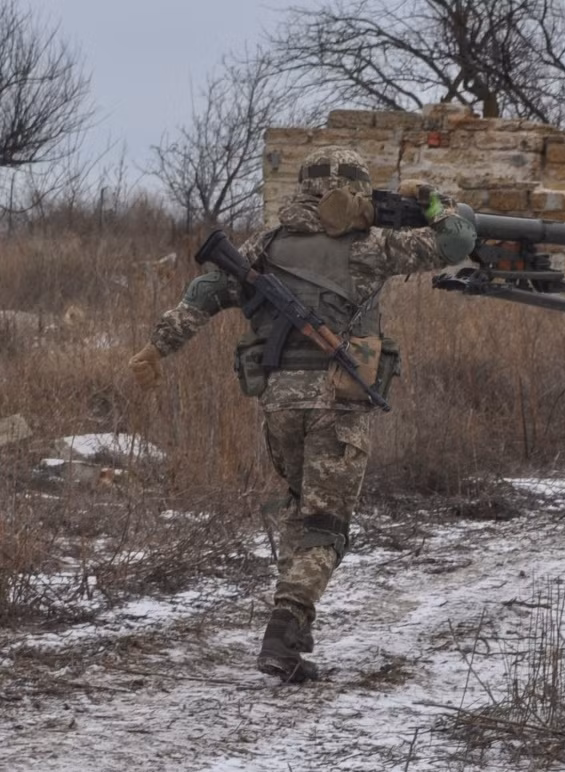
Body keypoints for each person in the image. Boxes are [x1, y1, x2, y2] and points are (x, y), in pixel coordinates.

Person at [128, 147, 477, 681]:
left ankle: (288, 644)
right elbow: (455, 241)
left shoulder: (265, 246)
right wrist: (437, 203)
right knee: (327, 526)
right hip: (338, 400)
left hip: (279, 401)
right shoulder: (370, 245)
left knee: (298, 510)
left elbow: (205, 292)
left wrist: (156, 348)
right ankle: (286, 625)